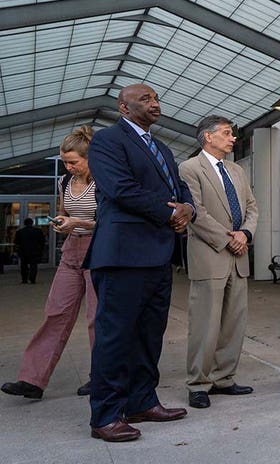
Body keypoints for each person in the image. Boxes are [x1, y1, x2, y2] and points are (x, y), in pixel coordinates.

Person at [84, 83, 195, 442]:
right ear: (124, 107)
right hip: (123, 254)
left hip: (159, 256)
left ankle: (142, 401)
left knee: (150, 334)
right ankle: (105, 415)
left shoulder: (161, 147)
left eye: (157, 98)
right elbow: (120, 188)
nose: (155, 104)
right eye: (145, 99)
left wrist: (187, 209)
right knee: (116, 337)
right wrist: (169, 214)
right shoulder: (107, 141)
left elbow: (180, 189)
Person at [1, 127, 98, 400]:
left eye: (73, 162)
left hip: (99, 249)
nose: (68, 167)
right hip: (71, 250)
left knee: (97, 318)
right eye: (64, 161)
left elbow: (110, 222)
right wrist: (62, 223)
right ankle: (32, 379)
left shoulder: (104, 182)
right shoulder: (64, 182)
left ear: (90, 158)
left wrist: (77, 222)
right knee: (56, 313)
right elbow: (63, 212)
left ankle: (101, 376)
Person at [179, 115, 259, 410]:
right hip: (210, 255)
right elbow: (195, 212)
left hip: (239, 257)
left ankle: (224, 377)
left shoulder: (237, 170)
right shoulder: (189, 169)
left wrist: (246, 233)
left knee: (233, 322)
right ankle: (198, 383)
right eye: (226, 133)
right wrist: (230, 239)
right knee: (205, 323)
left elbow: (251, 206)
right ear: (208, 137)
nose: (232, 138)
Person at [14, 218, 44, 284]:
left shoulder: (20, 232)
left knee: (24, 266)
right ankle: (32, 279)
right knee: (33, 266)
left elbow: (16, 243)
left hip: (23, 252)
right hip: (35, 251)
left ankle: (24, 279)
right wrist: (40, 250)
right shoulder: (38, 231)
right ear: (32, 223)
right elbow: (42, 242)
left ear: (24, 223)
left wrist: (17, 251)